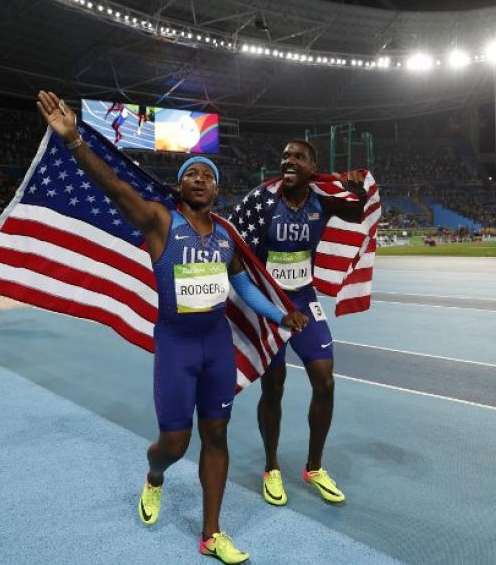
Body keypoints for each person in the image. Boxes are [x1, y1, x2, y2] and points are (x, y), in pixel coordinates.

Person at [37, 91, 308, 563]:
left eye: (208, 175)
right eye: (190, 174)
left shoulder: (226, 238)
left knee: (217, 435)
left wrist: (278, 314)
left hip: (216, 347)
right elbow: (117, 189)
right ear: (180, 187)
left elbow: (243, 291)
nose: (200, 178)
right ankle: (155, 476)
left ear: (217, 190)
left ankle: (211, 534)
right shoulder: (159, 222)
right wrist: (76, 140)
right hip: (177, 347)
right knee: (174, 444)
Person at [229, 139, 366, 508]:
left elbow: (356, 213)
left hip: (305, 299)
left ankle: (315, 467)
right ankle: (272, 467)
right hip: (271, 303)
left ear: (312, 166)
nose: (287, 161)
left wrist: (356, 188)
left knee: (325, 379)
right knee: (273, 385)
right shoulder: (263, 201)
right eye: (285, 155)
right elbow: (233, 238)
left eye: (297, 157)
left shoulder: (320, 201)